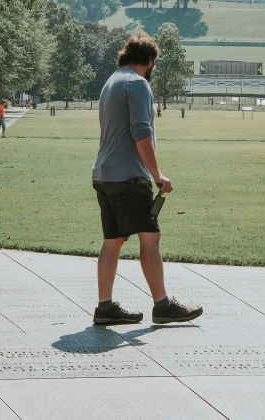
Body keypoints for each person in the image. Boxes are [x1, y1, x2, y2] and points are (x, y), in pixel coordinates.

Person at [92, 33, 203, 326]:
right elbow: (141, 132)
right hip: (128, 176)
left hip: (104, 174)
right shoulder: (138, 84)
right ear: (150, 60)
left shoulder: (112, 81)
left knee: (112, 241)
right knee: (150, 238)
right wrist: (157, 175)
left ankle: (104, 308)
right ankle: (163, 305)